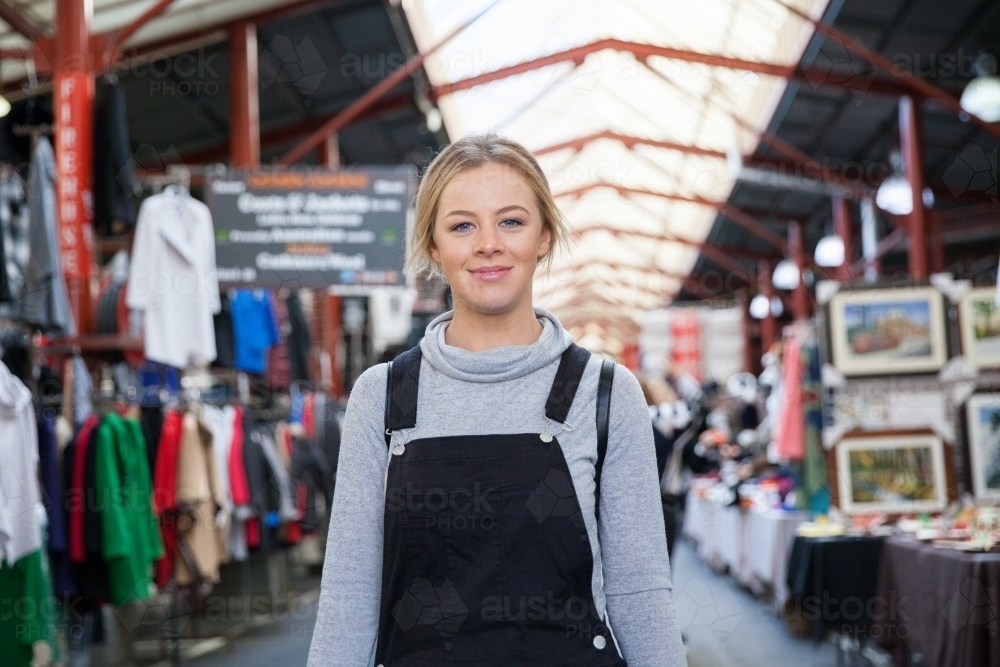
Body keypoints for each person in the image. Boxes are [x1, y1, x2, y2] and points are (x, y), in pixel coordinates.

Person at [307, 134, 685, 667]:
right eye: (463, 225)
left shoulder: (603, 393)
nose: (488, 243)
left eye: (511, 221)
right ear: (434, 247)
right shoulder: (384, 398)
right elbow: (349, 597)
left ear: (545, 236)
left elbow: (639, 591)